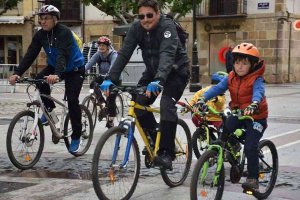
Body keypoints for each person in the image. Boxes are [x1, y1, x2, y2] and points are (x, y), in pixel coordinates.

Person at [100, 0, 190, 170]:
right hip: (153, 72)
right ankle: (154, 136)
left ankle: (166, 152)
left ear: (157, 13)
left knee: (166, 104)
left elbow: (167, 54)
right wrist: (110, 78)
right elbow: (124, 53)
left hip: (176, 72)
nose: (145, 19)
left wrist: (159, 80)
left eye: (150, 15)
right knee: (139, 102)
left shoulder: (167, 26)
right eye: (141, 16)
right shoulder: (136, 28)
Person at [8, 5, 85, 154]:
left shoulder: (64, 32)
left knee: (72, 99)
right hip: (55, 66)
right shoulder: (40, 35)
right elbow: (31, 54)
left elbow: (63, 55)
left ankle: (76, 135)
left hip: (75, 69)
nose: (43, 22)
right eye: (41, 19)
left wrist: (56, 74)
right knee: (39, 80)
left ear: (55, 19)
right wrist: (17, 73)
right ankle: (49, 109)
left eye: (46, 19)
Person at [197, 42, 268, 191]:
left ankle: (253, 178)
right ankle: (226, 151)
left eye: (244, 63)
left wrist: (254, 104)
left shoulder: (257, 79)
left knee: (250, 146)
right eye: (237, 63)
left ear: (253, 65)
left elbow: (258, 93)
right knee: (225, 129)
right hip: (239, 113)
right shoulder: (231, 77)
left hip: (256, 117)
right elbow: (217, 89)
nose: (240, 67)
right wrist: (202, 99)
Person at [85, 36, 118, 128]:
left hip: (114, 77)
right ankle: (102, 103)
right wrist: (81, 72)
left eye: (103, 45)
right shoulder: (98, 54)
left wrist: (109, 78)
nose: (101, 47)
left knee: (111, 98)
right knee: (93, 84)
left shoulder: (113, 55)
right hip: (103, 76)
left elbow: (113, 69)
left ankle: (111, 120)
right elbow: (89, 63)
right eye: (99, 45)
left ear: (108, 46)